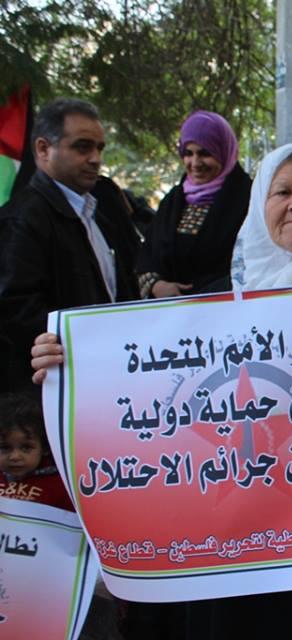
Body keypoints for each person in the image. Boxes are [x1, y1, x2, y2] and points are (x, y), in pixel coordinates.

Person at [34, 142, 292, 639]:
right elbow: (136, 401)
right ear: (260, 205)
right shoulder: (205, 309)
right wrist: (68, 369)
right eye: (283, 192)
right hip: (229, 560)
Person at [0, 98, 140, 392]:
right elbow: (17, 312)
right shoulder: (23, 218)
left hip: (109, 376)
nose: (95, 158)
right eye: (82, 147)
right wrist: (76, 347)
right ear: (43, 149)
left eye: (99, 148)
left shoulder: (100, 212)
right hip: (56, 387)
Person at [136, 111, 251, 298]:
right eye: (188, 153)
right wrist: (156, 285)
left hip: (227, 309)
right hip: (170, 311)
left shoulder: (248, 200)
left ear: (224, 153)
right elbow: (147, 255)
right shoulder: (173, 201)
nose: (195, 163)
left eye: (205, 153)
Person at [0, 391, 73, 510]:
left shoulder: (61, 486)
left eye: (26, 447)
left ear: (44, 448)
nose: (15, 456)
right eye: (4, 447)